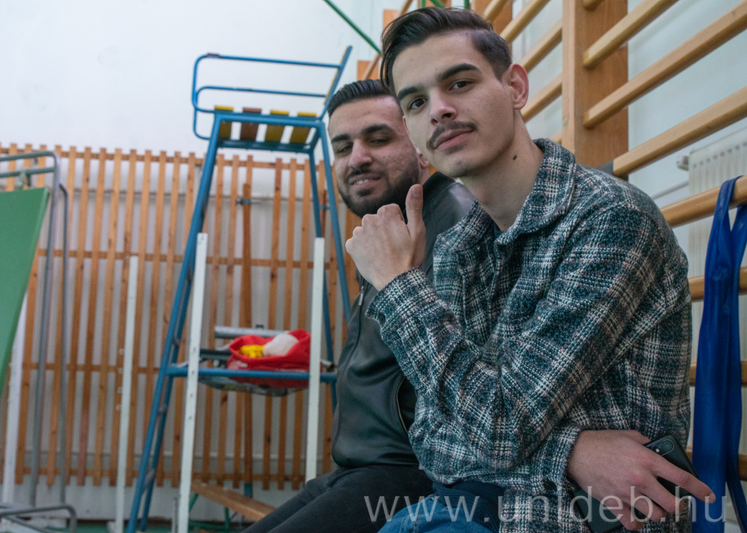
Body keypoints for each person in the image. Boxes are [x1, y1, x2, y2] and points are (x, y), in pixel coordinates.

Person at [345, 8, 714, 533]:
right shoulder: (456, 249)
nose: (440, 109)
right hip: (471, 510)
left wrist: (399, 287)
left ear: (515, 87)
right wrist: (572, 455)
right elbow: (430, 438)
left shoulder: (610, 220)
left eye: (460, 83)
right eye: (417, 102)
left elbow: (499, 428)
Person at [242, 79, 475, 533]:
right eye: (343, 147)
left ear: (421, 145)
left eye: (378, 138)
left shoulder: (455, 225)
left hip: (408, 477)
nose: (357, 158)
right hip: (358, 470)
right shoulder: (389, 229)